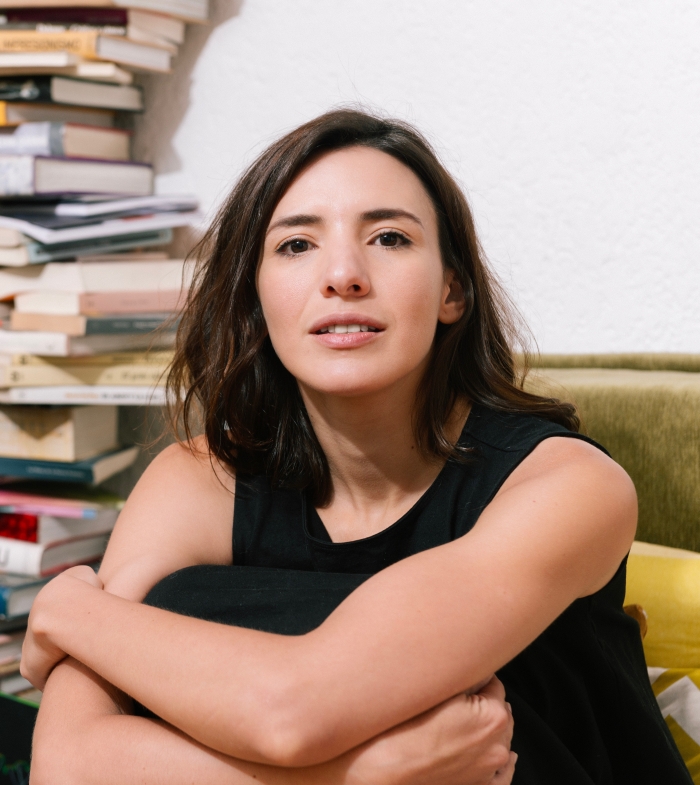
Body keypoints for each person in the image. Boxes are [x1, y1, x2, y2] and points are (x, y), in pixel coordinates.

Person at [22, 109, 691, 785]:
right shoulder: (198, 482)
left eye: (389, 237)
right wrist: (360, 776)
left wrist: (73, 611)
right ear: (256, 297)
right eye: (296, 245)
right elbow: (65, 763)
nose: (343, 274)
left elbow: (292, 712)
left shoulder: (571, 486)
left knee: (175, 610)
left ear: (452, 289)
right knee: (179, 606)